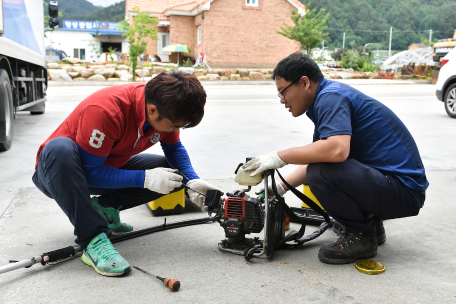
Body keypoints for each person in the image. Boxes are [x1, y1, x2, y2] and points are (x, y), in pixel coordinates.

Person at [243, 52, 428, 264]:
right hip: (397, 187)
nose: (282, 100)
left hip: (402, 189)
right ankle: (371, 225)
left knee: (320, 173)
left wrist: (280, 156)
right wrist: (278, 187)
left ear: (304, 82)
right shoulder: (328, 96)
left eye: (283, 92)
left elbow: (336, 151)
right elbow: (322, 156)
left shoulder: (330, 98)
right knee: (320, 169)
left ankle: (361, 235)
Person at [32, 70, 219, 276]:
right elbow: (89, 173)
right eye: (175, 126)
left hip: (107, 165)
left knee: (174, 174)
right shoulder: (107, 111)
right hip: (59, 173)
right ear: (153, 110)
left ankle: (106, 207)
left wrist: (192, 181)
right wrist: (144, 179)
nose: (175, 129)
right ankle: (92, 239)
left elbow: (174, 149)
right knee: (59, 147)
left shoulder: (164, 106)